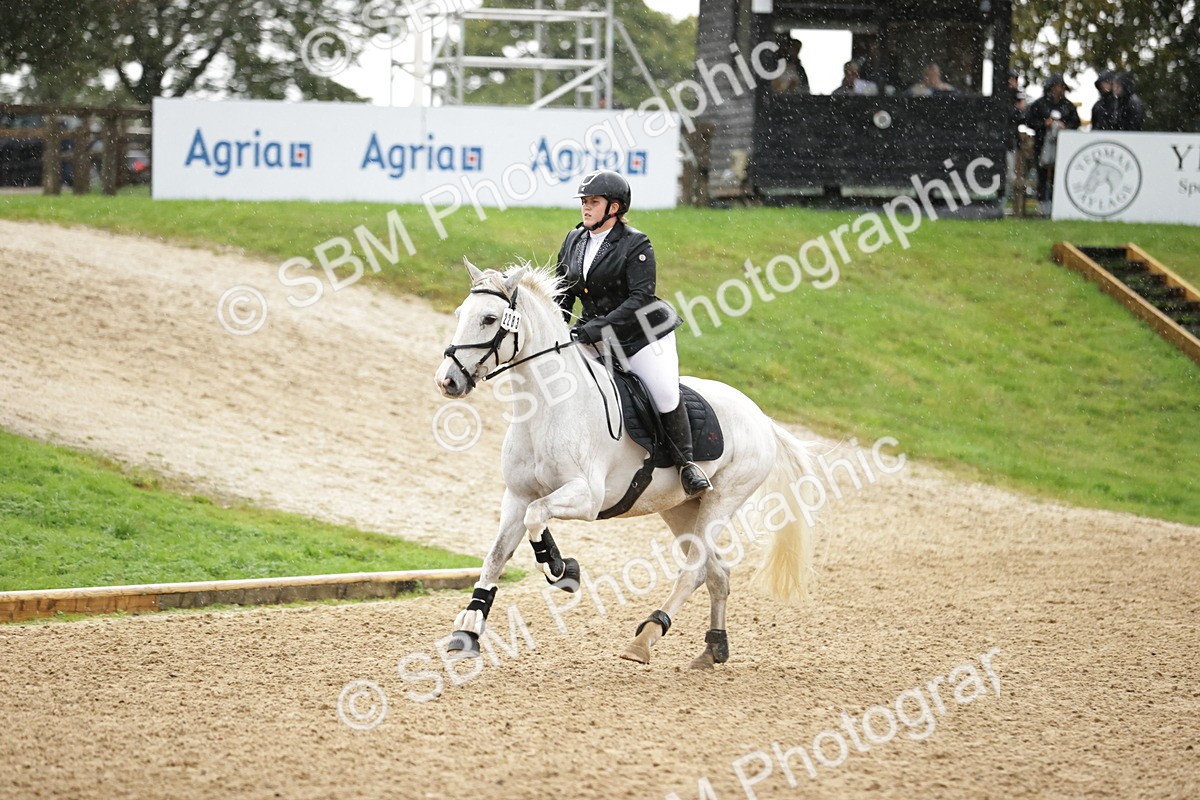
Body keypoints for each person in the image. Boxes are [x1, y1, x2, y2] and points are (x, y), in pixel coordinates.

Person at [554, 169, 712, 497]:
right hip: (594, 334)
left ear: (614, 208)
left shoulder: (635, 243)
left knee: (665, 392)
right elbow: (564, 293)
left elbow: (640, 299)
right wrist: (556, 326)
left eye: (593, 202)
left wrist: (594, 328)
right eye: (584, 202)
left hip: (642, 335)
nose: (585, 208)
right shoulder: (574, 240)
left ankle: (686, 465)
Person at [1025, 73, 1080, 214]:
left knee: (1059, 175)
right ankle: (1042, 205)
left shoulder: (1068, 106)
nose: (1059, 90)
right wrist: (1043, 124)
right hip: (1042, 144)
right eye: (1056, 87)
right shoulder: (1040, 104)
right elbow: (1029, 120)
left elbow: (1076, 123)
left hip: (1062, 147)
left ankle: (1057, 205)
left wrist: (1065, 126)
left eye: (1061, 87)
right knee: (1041, 174)